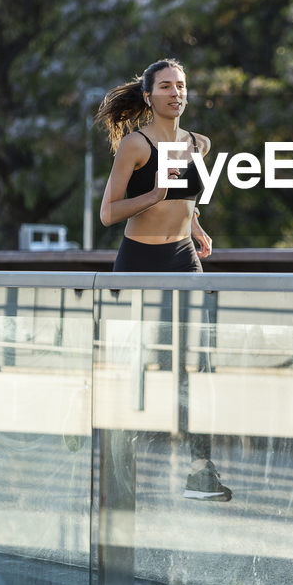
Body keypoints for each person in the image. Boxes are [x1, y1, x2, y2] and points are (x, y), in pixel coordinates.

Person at [97, 58, 231, 502]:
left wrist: (195, 227)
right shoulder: (136, 146)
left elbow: (188, 200)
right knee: (134, 361)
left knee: (199, 361)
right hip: (139, 259)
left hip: (183, 257)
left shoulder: (200, 144)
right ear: (149, 95)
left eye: (182, 86)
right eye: (167, 86)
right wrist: (152, 194)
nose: (176, 93)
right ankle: (116, 459)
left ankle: (199, 468)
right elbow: (107, 213)